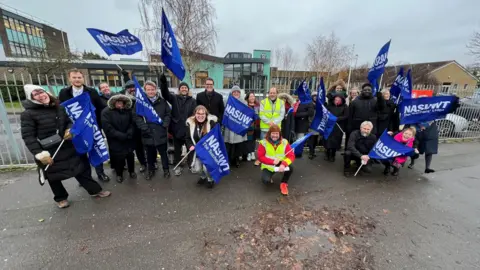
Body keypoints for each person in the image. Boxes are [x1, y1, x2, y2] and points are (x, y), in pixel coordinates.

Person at [20, 85, 110, 208]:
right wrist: (40, 154)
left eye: (41, 92)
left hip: (66, 144)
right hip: (48, 150)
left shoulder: (59, 107)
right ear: (32, 98)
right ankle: (60, 198)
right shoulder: (28, 114)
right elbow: (28, 136)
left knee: (80, 168)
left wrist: (69, 129)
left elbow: (68, 121)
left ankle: (95, 190)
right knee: (53, 176)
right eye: (36, 94)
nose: (41, 95)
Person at [58, 69, 110, 182]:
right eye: (74, 77)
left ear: (83, 78)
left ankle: (100, 173)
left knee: (96, 150)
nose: (77, 79)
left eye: (79, 77)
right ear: (70, 78)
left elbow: (101, 108)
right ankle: (87, 177)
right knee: (80, 154)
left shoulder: (91, 92)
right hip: (75, 129)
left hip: (92, 127)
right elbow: (61, 111)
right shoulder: (64, 93)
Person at [159, 74, 196, 176]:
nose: (184, 89)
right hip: (177, 129)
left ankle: (190, 165)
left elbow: (195, 114)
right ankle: (177, 166)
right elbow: (165, 94)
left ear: (188, 90)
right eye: (182, 87)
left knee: (191, 149)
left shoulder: (193, 101)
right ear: (179, 89)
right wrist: (163, 83)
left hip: (189, 130)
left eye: (185, 88)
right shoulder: (174, 98)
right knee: (177, 150)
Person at [134, 81, 172, 180]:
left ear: (156, 90)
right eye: (148, 90)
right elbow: (137, 117)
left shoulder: (162, 102)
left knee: (163, 154)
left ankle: (166, 170)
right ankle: (150, 171)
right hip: (147, 132)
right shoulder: (141, 103)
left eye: (152, 89)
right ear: (145, 90)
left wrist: (165, 124)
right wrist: (144, 127)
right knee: (150, 155)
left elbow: (168, 114)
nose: (151, 91)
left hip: (160, 132)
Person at [101, 94, 136, 183]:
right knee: (118, 158)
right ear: (113, 102)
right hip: (115, 140)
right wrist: (120, 135)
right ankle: (119, 174)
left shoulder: (128, 110)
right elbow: (107, 127)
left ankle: (131, 171)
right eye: (118, 103)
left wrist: (129, 132)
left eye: (121, 103)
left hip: (128, 139)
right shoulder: (106, 112)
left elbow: (132, 123)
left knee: (130, 156)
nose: (120, 105)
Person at [185, 105, 218, 188]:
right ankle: (203, 176)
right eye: (198, 113)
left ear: (206, 114)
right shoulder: (191, 124)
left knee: (207, 168)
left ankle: (210, 179)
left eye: (203, 114)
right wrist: (190, 145)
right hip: (197, 151)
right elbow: (187, 138)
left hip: (208, 151)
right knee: (197, 169)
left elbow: (216, 137)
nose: (200, 115)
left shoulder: (211, 123)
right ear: (195, 114)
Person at [257, 124, 295, 196]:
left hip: (280, 163)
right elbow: (260, 157)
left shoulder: (284, 142)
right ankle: (270, 177)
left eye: (276, 133)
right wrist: (272, 161)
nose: (275, 135)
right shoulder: (263, 142)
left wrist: (283, 164)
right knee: (266, 181)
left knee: (291, 168)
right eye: (273, 133)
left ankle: (283, 183)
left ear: (279, 134)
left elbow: (291, 156)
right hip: (268, 165)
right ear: (269, 134)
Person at [122, 79, 148, 172]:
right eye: (130, 88)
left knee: (149, 146)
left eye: (134, 87)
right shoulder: (124, 100)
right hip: (132, 128)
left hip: (144, 125)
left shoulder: (143, 97)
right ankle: (143, 164)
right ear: (127, 89)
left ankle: (153, 162)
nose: (132, 89)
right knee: (138, 148)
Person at [223, 86, 248, 168]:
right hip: (229, 126)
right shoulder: (226, 101)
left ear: (240, 93)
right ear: (232, 93)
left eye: (237, 92)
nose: (236, 93)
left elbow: (246, 114)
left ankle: (236, 159)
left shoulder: (244, 102)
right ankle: (230, 159)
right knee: (229, 144)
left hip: (238, 126)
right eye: (234, 92)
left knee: (238, 144)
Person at [324, 94, 348, 162]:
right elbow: (326, 114)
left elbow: (346, 116)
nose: (337, 101)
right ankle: (327, 154)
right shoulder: (330, 106)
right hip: (329, 126)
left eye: (339, 100)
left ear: (342, 100)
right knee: (328, 140)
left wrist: (337, 119)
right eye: (336, 100)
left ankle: (333, 155)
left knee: (335, 142)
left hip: (338, 126)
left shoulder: (345, 107)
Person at [293, 92, 314, 158]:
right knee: (295, 139)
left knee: (300, 139)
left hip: (302, 124)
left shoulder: (309, 103)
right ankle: (295, 152)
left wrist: (298, 114)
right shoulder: (297, 102)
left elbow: (311, 113)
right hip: (295, 123)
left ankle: (298, 153)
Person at [244, 92, 260, 163]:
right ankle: (248, 153)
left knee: (254, 140)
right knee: (248, 140)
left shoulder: (257, 105)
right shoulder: (245, 106)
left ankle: (253, 152)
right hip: (249, 126)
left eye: (253, 96)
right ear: (247, 98)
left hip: (256, 126)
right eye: (250, 96)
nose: (252, 98)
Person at [308, 91, 320, 160]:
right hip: (311, 124)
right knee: (311, 139)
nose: (315, 97)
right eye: (314, 96)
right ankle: (311, 152)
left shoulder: (320, 105)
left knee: (316, 139)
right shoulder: (310, 104)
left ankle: (313, 151)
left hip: (318, 125)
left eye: (316, 96)